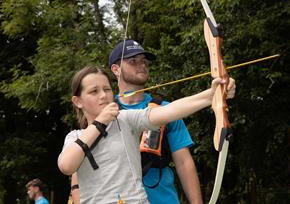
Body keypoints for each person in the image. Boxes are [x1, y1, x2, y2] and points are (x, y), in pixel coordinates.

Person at [57, 65, 235, 203]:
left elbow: (168, 111)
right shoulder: (75, 137)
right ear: (78, 101)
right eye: (94, 91)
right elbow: (66, 165)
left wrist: (211, 95)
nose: (103, 95)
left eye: (107, 89)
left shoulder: (126, 120)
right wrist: (99, 123)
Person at [109, 39, 231, 204]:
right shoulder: (106, 111)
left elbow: (183, 162)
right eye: (133, 61)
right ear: (116, 69)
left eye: (144, 61)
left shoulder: (165, 109)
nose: (142, 65)